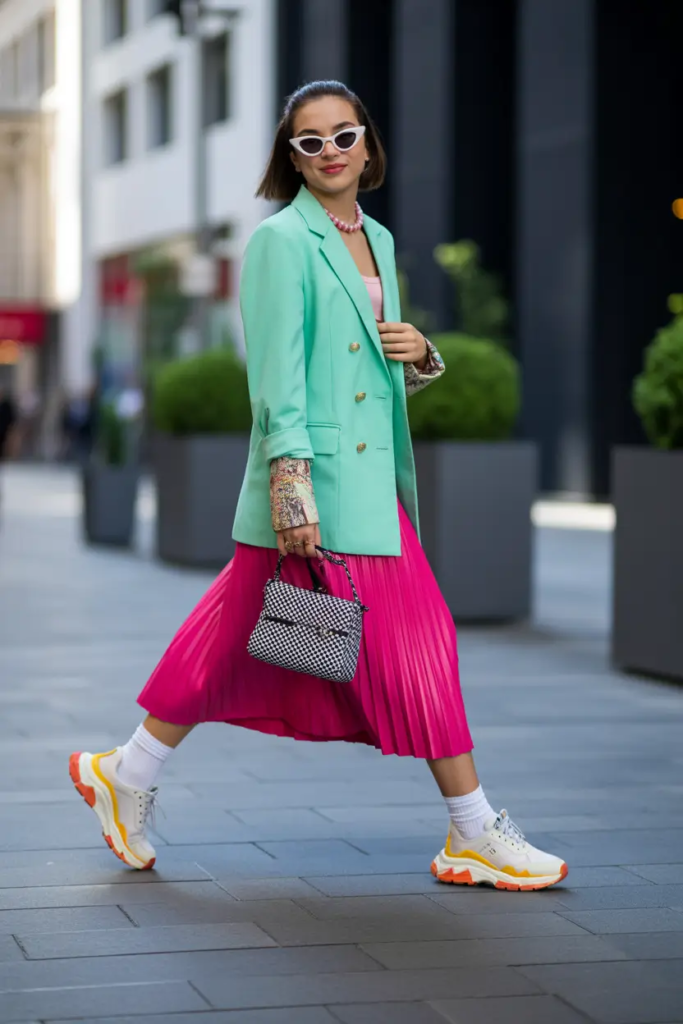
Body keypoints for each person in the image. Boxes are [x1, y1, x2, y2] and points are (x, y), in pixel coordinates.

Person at [69, 81, 568, 890]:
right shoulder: (280, 242)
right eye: (311, 140)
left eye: (344, 135)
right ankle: (473, 830)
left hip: (370, 481)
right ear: (290, 156)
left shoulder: (377, 237)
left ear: (368, 145)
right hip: (321, 490)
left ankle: (126, 770)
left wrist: (421, 355)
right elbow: (278, 381)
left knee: (237, 632)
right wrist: (292, 492)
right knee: (422, 640)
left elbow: (360, 381)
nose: (331, 150)